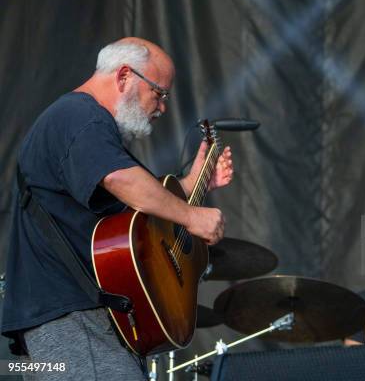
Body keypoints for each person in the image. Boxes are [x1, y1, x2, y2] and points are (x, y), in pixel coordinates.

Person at [1, 38, 233, 380]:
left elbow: (135, 212)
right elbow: (120, 179)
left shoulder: (86, 130)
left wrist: (190, 185)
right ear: (124, 76)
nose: (162, 106)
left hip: (66, 326)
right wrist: (192, 216)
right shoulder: (79, 116)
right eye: (159, 92)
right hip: (73, 322)